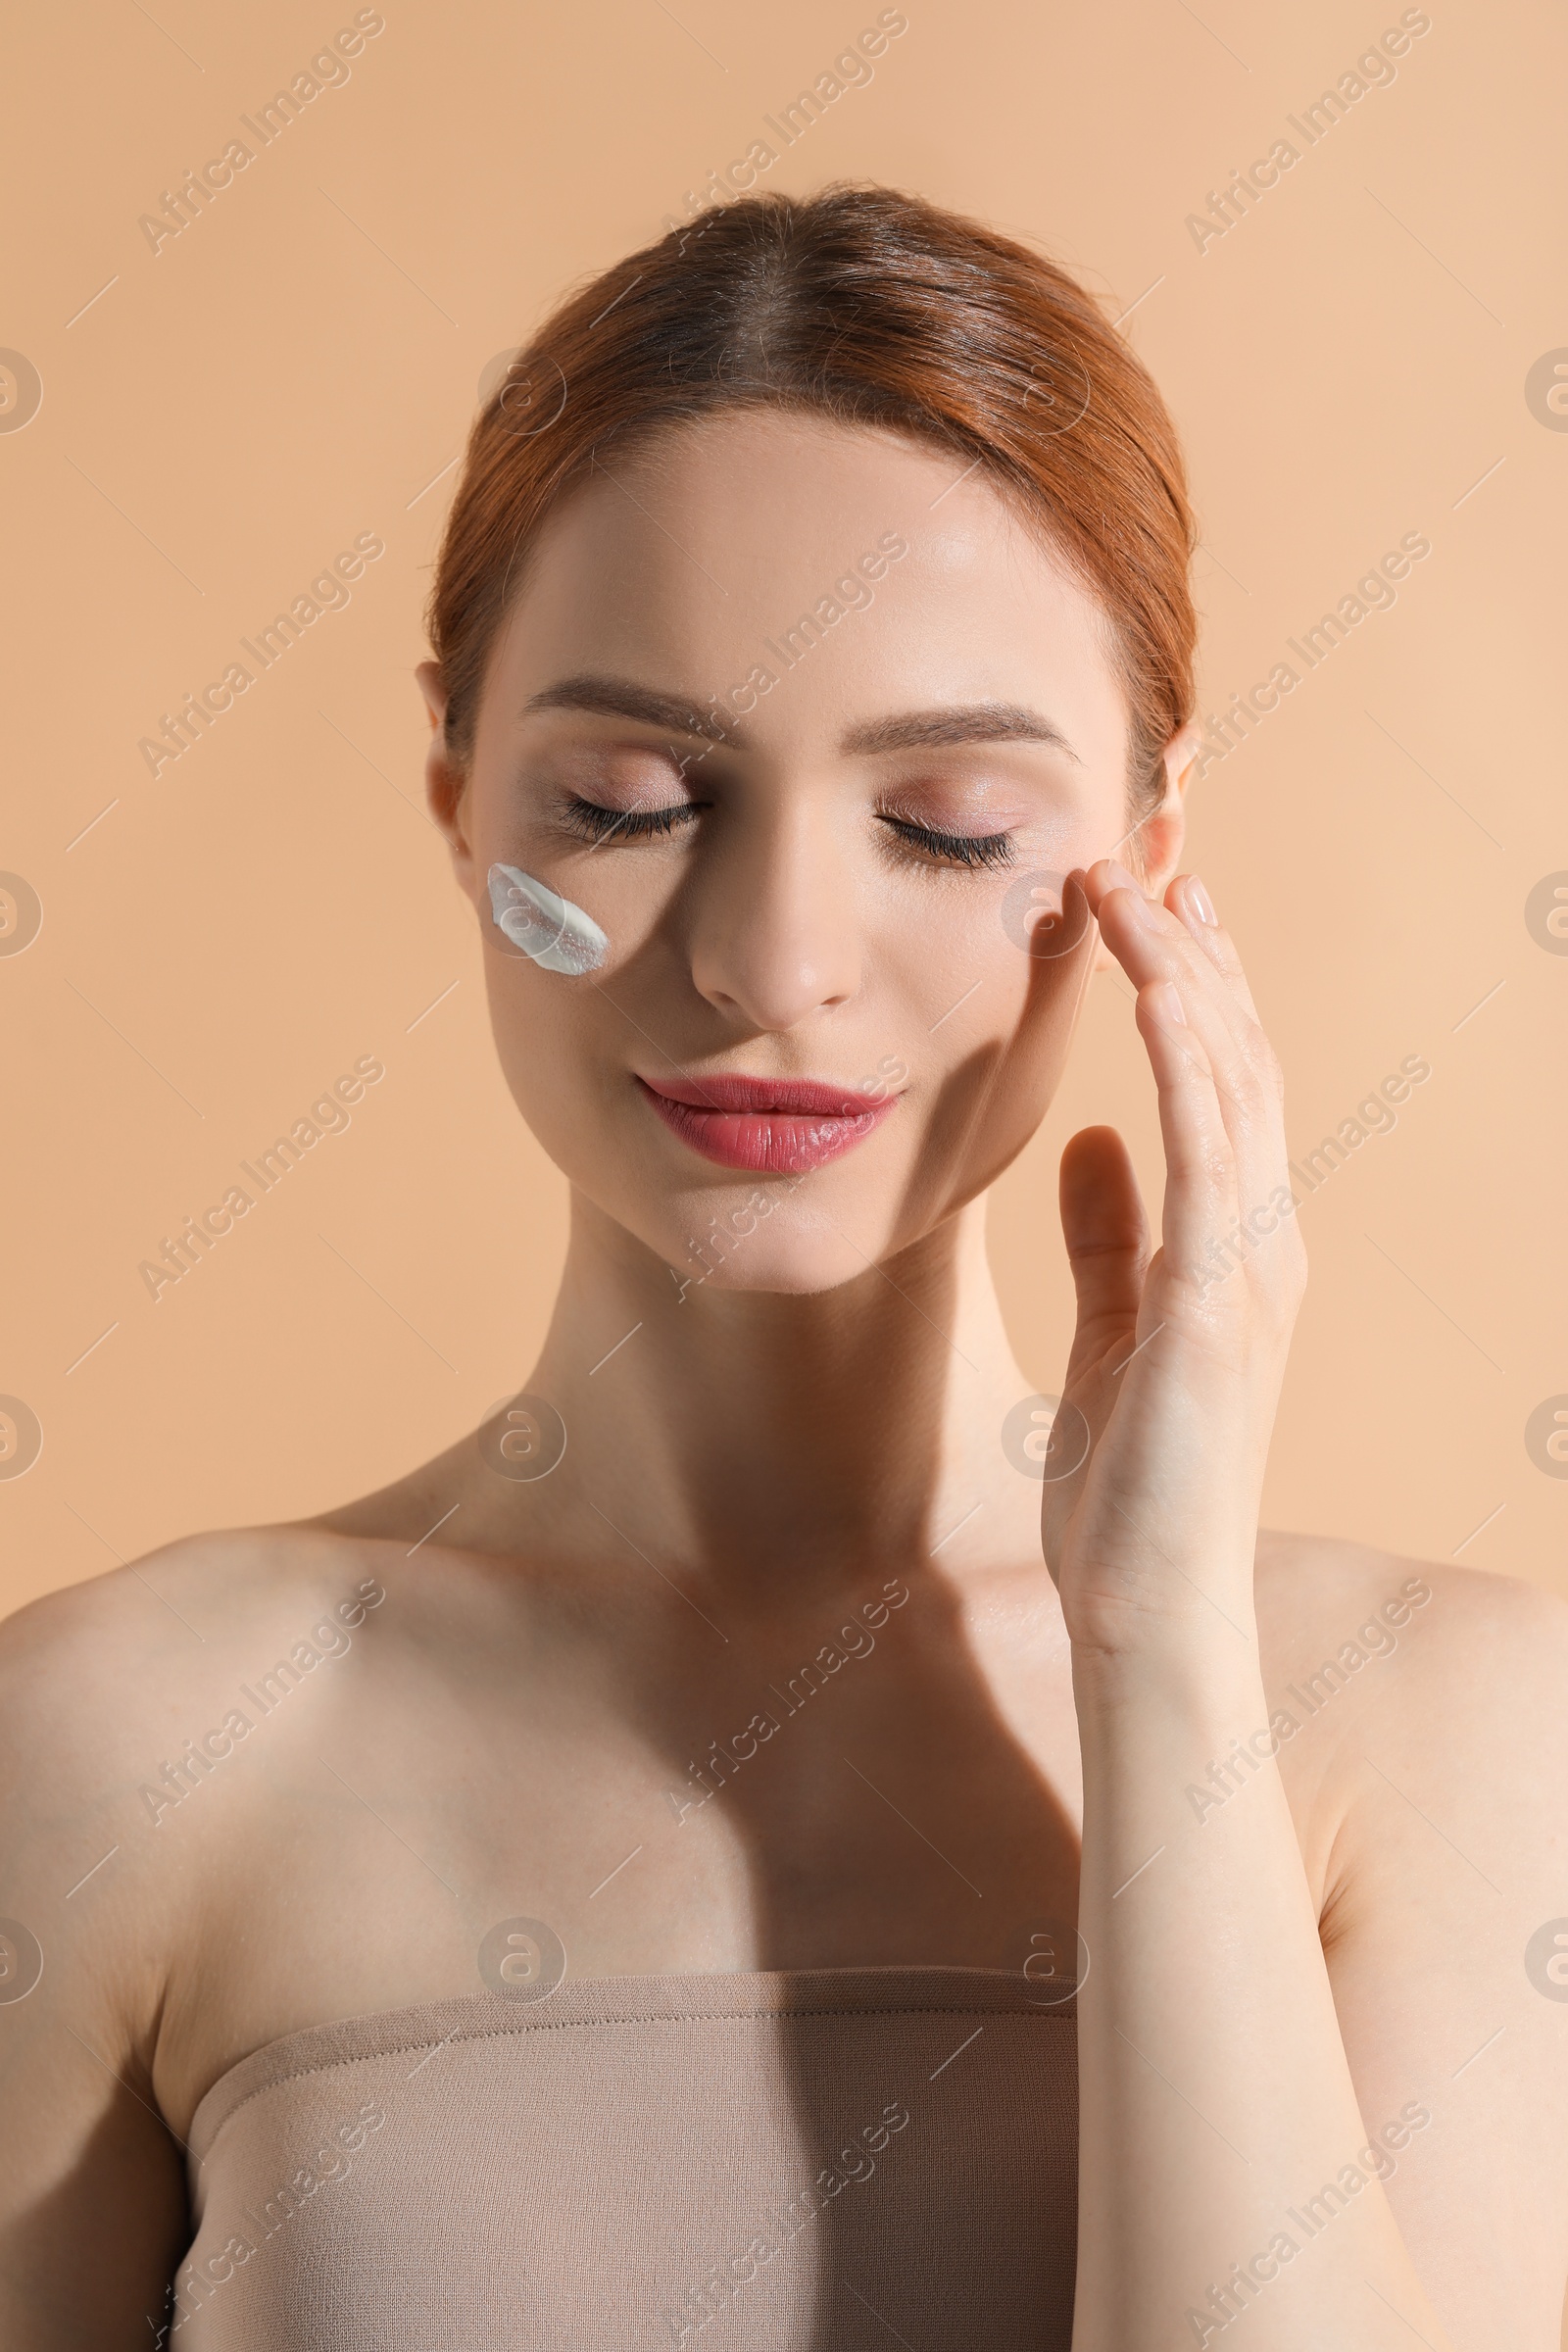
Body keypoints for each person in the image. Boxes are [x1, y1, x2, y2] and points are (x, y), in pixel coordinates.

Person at [2, 184, 1564, 2351]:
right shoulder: (109, 1756)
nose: (769, 966)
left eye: (941, 825)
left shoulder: (1452, 1735)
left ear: (1151, 847)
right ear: (456, 786)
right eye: (630, 798)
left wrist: (1164, 1663)